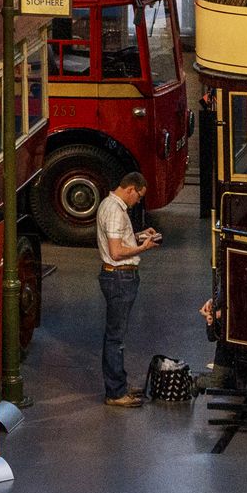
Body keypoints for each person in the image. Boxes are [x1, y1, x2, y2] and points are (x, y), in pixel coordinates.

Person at [96, 172, 160, 407]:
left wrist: (139, 236)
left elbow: (119, 240)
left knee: (116, 335)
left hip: (116, 277)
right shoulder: (115, 210)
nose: (138, 201)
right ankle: (115, 392)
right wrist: (143, 248)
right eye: (139, 196)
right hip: (120, 277)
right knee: (116, 337)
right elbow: (116, 252)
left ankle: (119, 385)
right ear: (131, 188)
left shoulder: (109, 204)